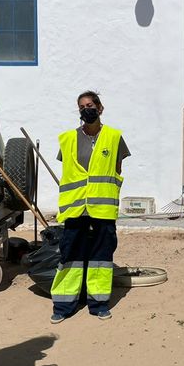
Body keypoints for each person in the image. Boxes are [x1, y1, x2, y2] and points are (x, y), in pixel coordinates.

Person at [51, 91, 130, 323]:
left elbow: (117, 169)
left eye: (90, 105)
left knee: (101, 258)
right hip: (75, 209)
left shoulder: (115, 137)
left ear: (100, 108)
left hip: (102, 209)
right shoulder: (67, 139)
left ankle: (99, 304)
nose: (87, 109)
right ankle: (63, 306)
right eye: (82, 106)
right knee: (70, 256)